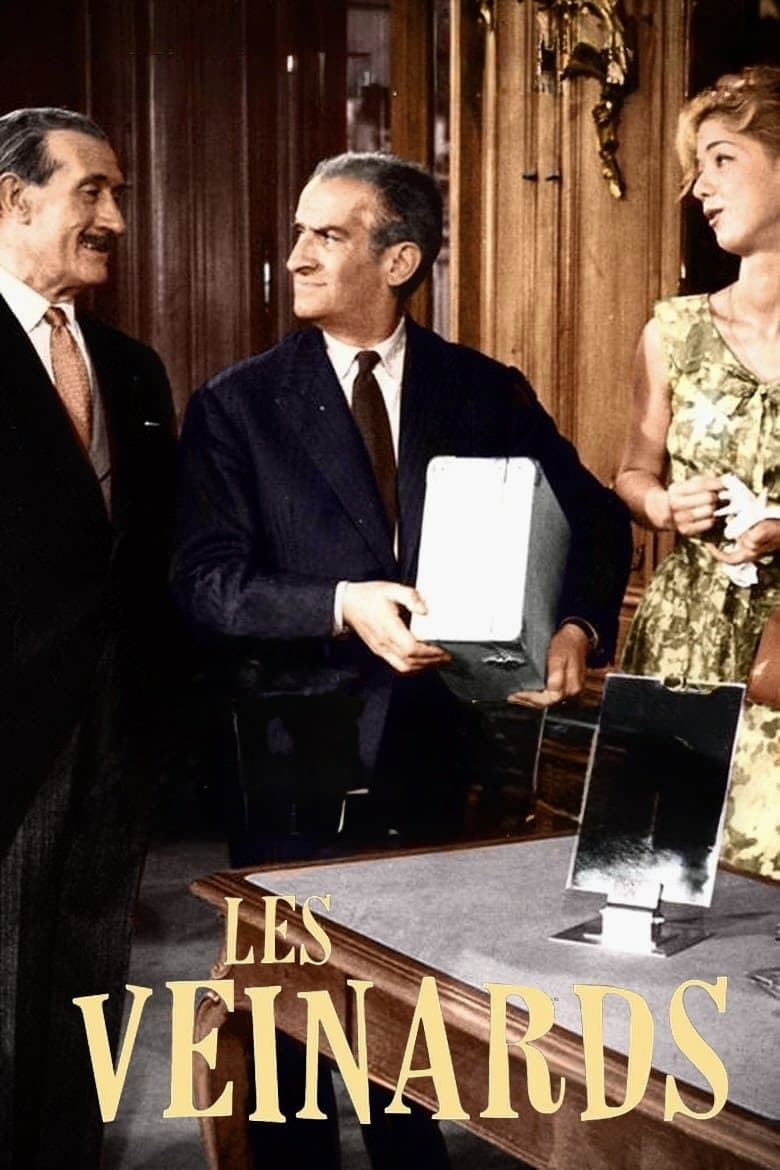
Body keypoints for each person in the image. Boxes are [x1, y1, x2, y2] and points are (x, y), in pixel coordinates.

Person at [172, 151, 631, 1167]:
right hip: (290, 761)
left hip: (438, 752)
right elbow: (205, 585)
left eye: (327, 235)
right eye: (300, 231)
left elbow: (598, 524)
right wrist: (343, 605)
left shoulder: (483, 390)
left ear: (400, 260)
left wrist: (576, 628)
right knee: (291, 1058)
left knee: (411, 1055)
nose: (296, 254)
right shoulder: (236, 404)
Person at [0, 108, 177, 1167]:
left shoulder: (133, 368)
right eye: (91, 192)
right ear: (12, 200)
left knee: (85, 993)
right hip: (10, 739)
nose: (113, 216)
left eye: (118, 195)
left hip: (115, 740)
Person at [616, 65, 780, 879]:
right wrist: (663, 506)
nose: (698, 188)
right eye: (695, 167)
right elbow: (632, 471)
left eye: (722, 160)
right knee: (656, 879)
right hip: (685, 643)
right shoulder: (674, 332)